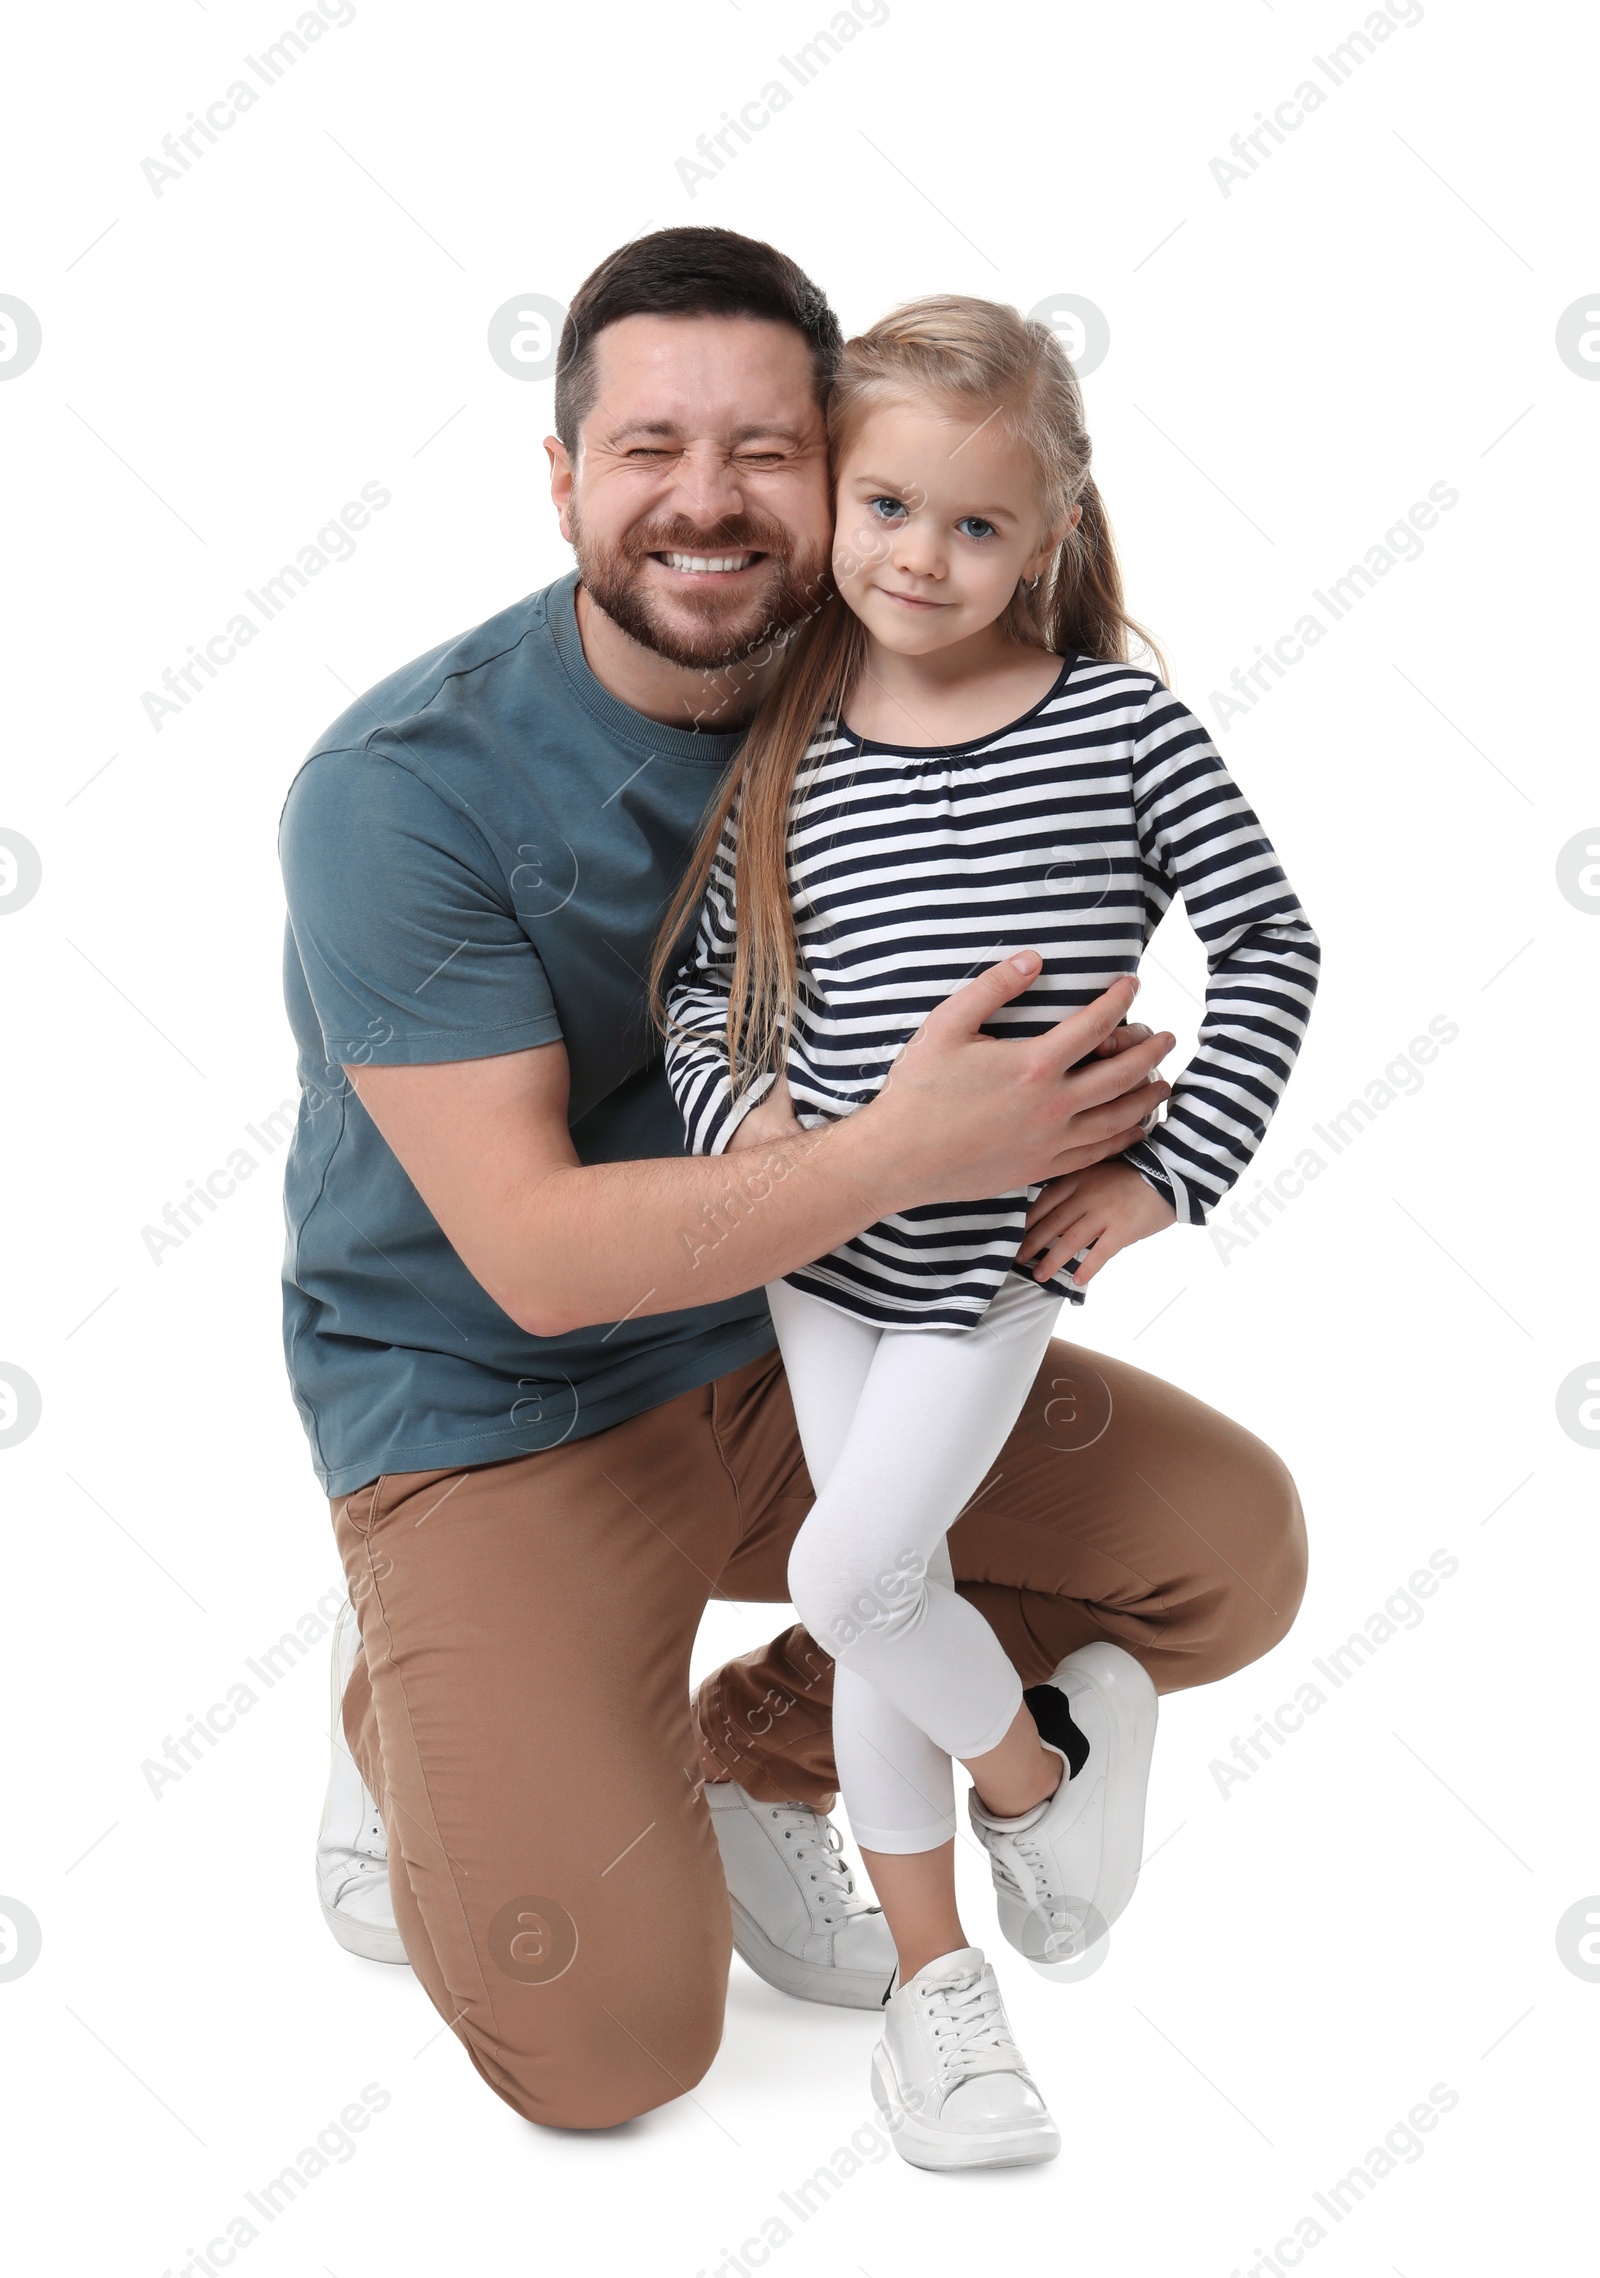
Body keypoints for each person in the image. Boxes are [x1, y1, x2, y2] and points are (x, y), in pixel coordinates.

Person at [280, 224, 1310, 2136]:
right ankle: (408, 1681)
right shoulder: (401, 788)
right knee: (608, 2050)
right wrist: (915, 1145)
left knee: (1223, 1550)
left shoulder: (872, 697)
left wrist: (1150, 1167)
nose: (709, 499)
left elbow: (1233, 926)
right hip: (503, 1400)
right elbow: (529, 1258)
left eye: (768, 447)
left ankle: (758, 1751)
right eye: (650, 446)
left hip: (797, 1338)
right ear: (566, 474)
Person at [656, 295, 1319, 2169]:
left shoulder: (1116, 724)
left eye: (973, 525)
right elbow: (707, 988)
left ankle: (1037, 1781)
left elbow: (1271, 941)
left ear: (1051, 538)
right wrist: (753, 1130)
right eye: (883, 508)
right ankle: (951, 1987)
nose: (918, 557)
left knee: (855, 1575)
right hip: (819, 1257)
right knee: (874, 1612)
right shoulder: (790, 733)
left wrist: (1168, 1168)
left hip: (987, 1270)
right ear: (837, 503)